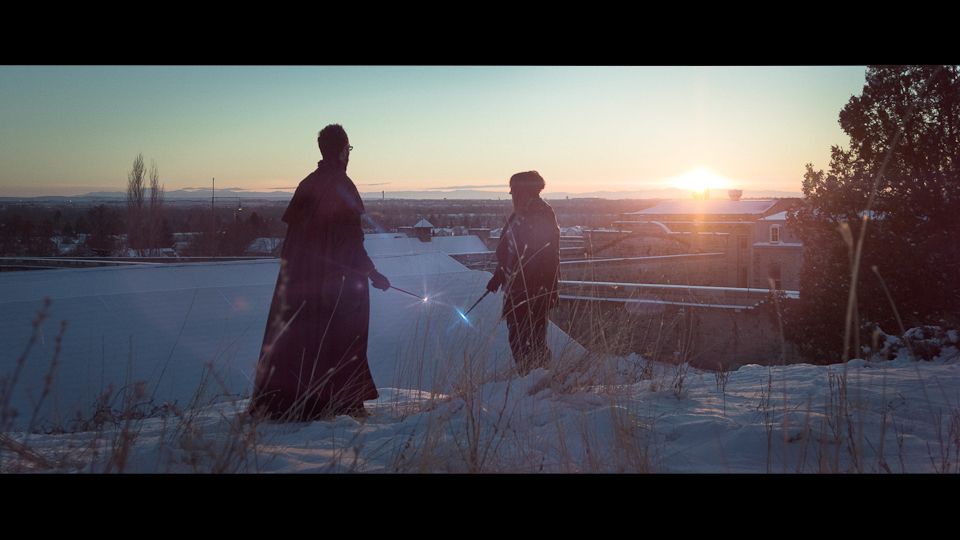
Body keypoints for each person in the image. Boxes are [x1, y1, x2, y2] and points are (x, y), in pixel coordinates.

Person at [249, 124, 390, 421]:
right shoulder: (343, 186)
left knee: (299, 338)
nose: (349, 155)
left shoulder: (307, 184)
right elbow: (351, 243)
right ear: (341, 151)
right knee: (342, 338)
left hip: (300, 282)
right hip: (335, 286)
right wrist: (373, 274)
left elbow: (293, 243)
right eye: (348, 149)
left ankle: (292, 403)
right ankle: (342, 403)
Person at [486, 171, 560, 375]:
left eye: (515, 192)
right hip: (516, 288)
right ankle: (531, 377)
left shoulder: (541, 214)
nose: (512, 197)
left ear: (526, 191)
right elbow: (512, 251)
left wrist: (548, 289)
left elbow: (549, 255)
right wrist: (499, 275)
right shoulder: (520, 214)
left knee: (529, 339)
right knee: (519, 337)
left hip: (533, 289)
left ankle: (537, 379)